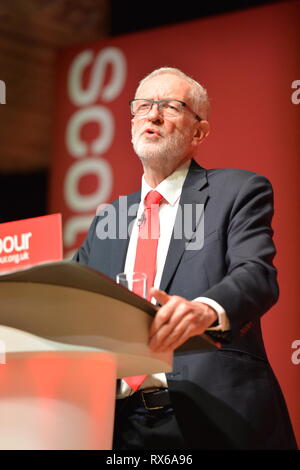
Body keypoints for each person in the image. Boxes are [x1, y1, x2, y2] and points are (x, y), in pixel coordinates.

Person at [73, 67, 297, 450]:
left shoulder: (239, 191)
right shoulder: (107, 219)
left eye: (170, 106)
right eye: (143, 106)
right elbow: (73, 302)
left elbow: (256, 274)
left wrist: (206, 310)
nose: (153, 115)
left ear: (199, 132)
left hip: (214, 416)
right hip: (121, 426)